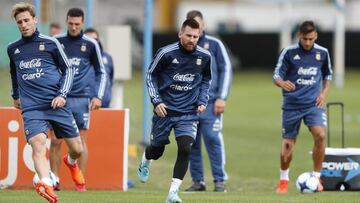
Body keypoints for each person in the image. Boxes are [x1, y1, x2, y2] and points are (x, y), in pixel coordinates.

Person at [7, 2, 85, 202]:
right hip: (32, 107)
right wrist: (16, 95)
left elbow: (68, 69)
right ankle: (46, 184)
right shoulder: (13, 49)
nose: (23, 25)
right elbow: (14, 75)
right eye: (19, 22)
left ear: (35, 20)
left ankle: (71, 162)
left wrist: (62, 94)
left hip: (56, 103)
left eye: (26, 20)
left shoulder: (51, 43)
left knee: (77, 148)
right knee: (39, 146)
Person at [137, 18, 212, 203]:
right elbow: (150, 75)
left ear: (199, 36)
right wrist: (156, 101)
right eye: (188, 35)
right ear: (180, 34)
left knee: (185, 148)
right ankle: (146, 159)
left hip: (188, 113)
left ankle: (172, 193)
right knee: (157, 150)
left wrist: (202, 100)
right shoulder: (166, 53)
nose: (191, 39)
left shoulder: (204, 56)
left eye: (195, 36)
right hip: (165, 111)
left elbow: (206, 80)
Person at [50, 8, 107, 191]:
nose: (73, 27)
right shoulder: (56, 42)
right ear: (66, 21)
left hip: (82, 98)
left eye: (77, 24)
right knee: (56, 141)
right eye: (70, 23)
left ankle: (79, 181)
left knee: (81, 141)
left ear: (82, 23)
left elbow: (101, 72)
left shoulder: (91, 44)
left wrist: (98, 96)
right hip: (60, 98)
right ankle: (54, 180)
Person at [273, 20, 332, 193]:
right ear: (299, 36)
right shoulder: (289, 52)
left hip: (313, 104)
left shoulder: (323, 53)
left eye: (311, 39)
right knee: (288, 146)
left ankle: (316, 177)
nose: (307, 42)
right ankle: (283, 180)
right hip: (292, 105)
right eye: (305, 39)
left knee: (320, 135)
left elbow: (328, 75)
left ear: (316, 37)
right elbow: (276, 75)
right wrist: (282, 83)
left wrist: (323, 94)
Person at [185, 10, 232, 192]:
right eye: (192, 26)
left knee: (212, 139)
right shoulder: (183, 47)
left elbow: (226, 69)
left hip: (211, 103)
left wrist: (222, 97)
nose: (195, 30)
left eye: (198, 24)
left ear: (203, 25)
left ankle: (219, 180)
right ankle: (198, 181)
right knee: (190, 142)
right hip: (188, 105)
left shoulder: (214, 44)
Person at [84, 27, 114, 108]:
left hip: (104, 105)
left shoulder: (107, 57)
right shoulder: (80, 58)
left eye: (95, 39)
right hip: (85, 106)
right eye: (89, 39)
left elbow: (110, 79)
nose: (93, 42)